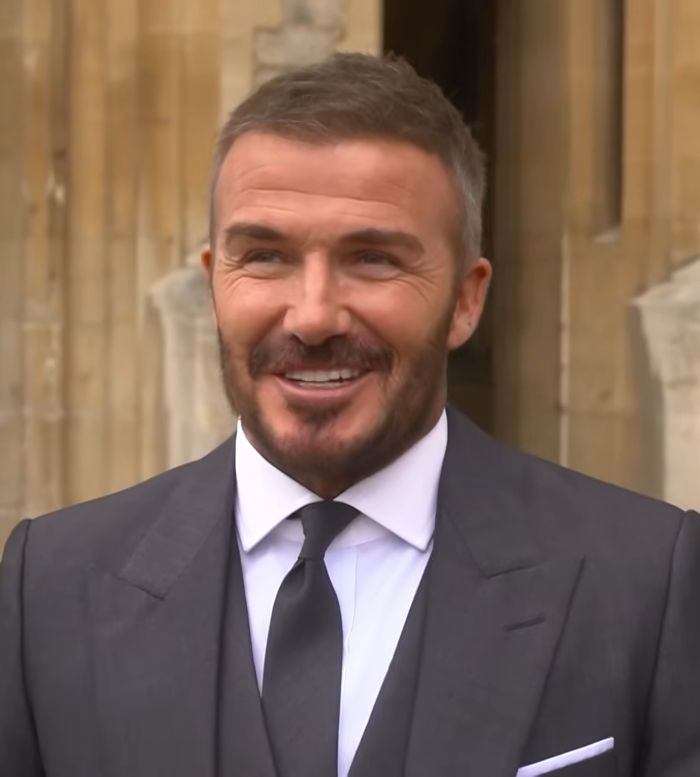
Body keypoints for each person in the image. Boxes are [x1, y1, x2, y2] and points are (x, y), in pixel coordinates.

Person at [1, 53, 699, 777]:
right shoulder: (51, 584)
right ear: (215, 282)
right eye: (266, 257)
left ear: (466, 298)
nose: (312, 317)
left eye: (372, 259)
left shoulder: (645, 582)